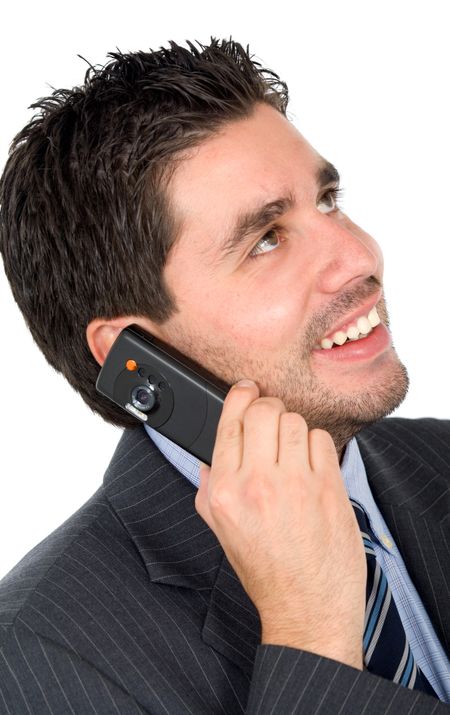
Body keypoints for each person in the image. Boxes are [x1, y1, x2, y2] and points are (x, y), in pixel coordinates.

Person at [0, 37, 448, 714]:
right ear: (137, 353)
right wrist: (311, 636)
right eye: (265, 238)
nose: (358, 257)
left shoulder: (441, 460)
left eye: (327, 200)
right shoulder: (43, 657)